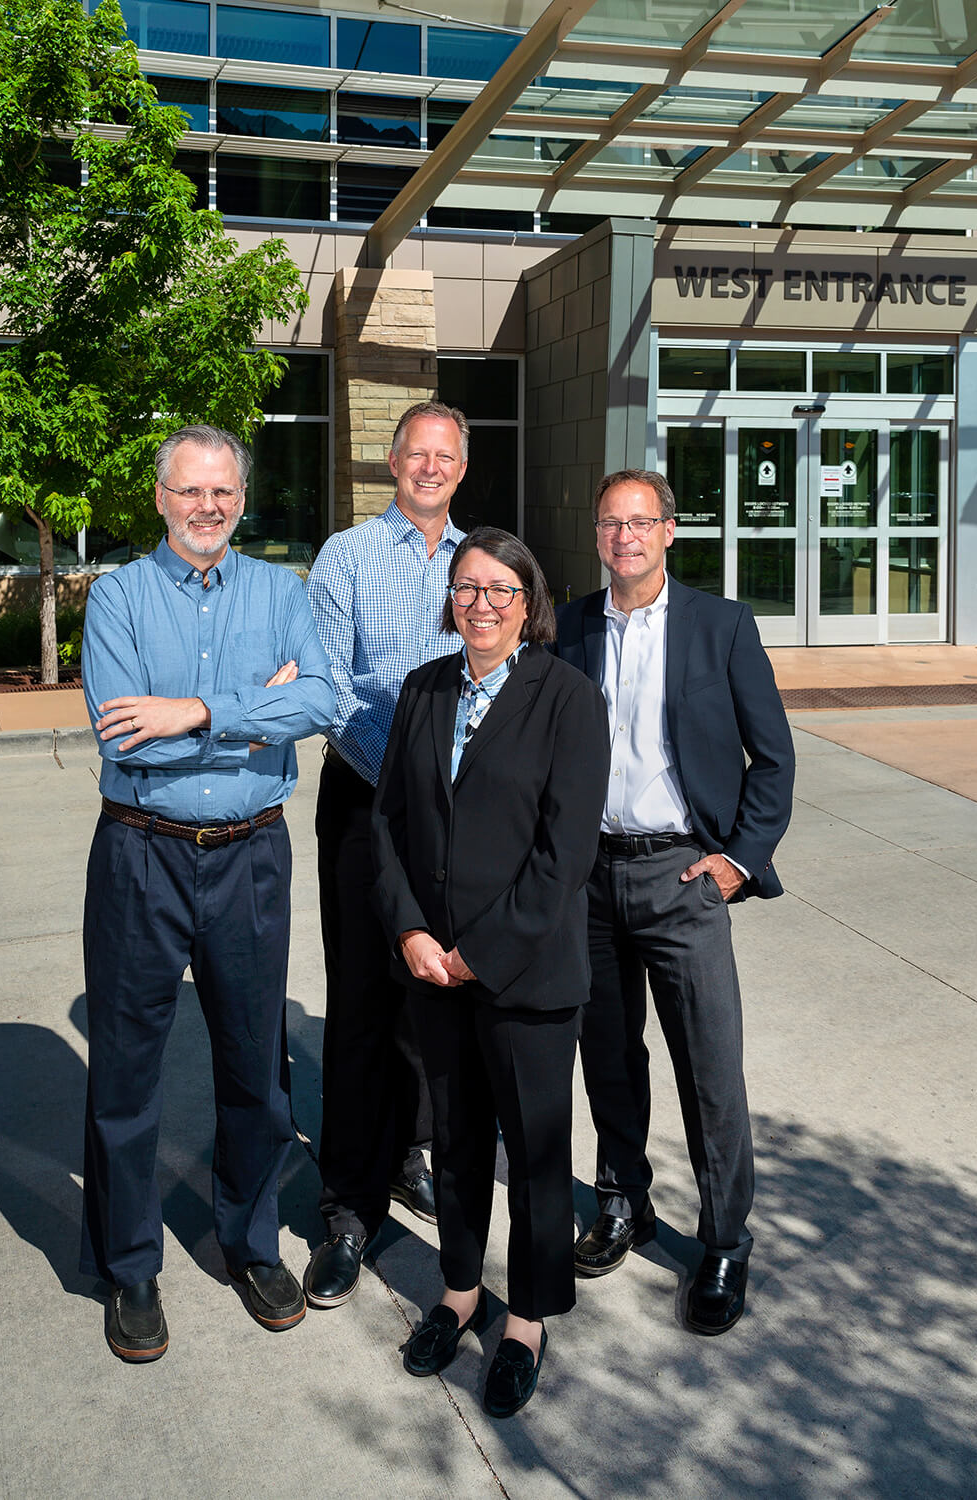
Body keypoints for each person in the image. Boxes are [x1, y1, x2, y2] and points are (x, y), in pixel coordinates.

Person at [79, 424, 334, 1360]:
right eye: (191, 492)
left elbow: (321, 702)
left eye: (223, 493)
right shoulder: (118, 598)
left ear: (241, 497)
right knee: (125, 1069)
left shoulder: (281, 590)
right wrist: (258, 713)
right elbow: (121, 737)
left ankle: (250, 1243)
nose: (208, 508)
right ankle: (130, 1266)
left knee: (254, 1066)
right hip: (140, 854)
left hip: (251, 856)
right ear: (160, 498)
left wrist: (196, 709)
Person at [372, 528, 610, 1418]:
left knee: (537, 1158)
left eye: (500, 590)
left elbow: (565, 852)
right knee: (460, 1146)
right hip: (433, 970)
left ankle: (529, 1322)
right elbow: (390, 821)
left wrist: (486, 952)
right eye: (467, 587)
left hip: (527, 976)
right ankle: (462, 1294)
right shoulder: (424, 689)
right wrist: (408, 932)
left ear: (529, 602)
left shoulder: (568, 698)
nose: (481, 604)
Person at [554, 468, 795, 1336]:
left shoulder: (721, 626)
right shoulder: (571, 626)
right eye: (611, 521)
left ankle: (725, 1238)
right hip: (590, 879)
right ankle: (624, 1203)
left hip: (683, 876)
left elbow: (773, 758)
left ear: (668, 532)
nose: (626, 536)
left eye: (641, 521)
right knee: (609, 1055)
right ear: (597, 535)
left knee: (709, 1067)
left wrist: (738, 860)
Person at [302, 400, 469, 1310]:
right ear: (392, 463)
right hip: (368, 802)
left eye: (445, 456)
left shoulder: (482, 561)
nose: (429, 468)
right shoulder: (346, 557)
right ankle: (347, 1212)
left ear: (460, 468)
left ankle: (412, 1153)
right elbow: (327, 688)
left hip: (458, 816)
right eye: (416, 455)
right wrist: (404, 776)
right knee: (363, 1005)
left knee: (432, 999)